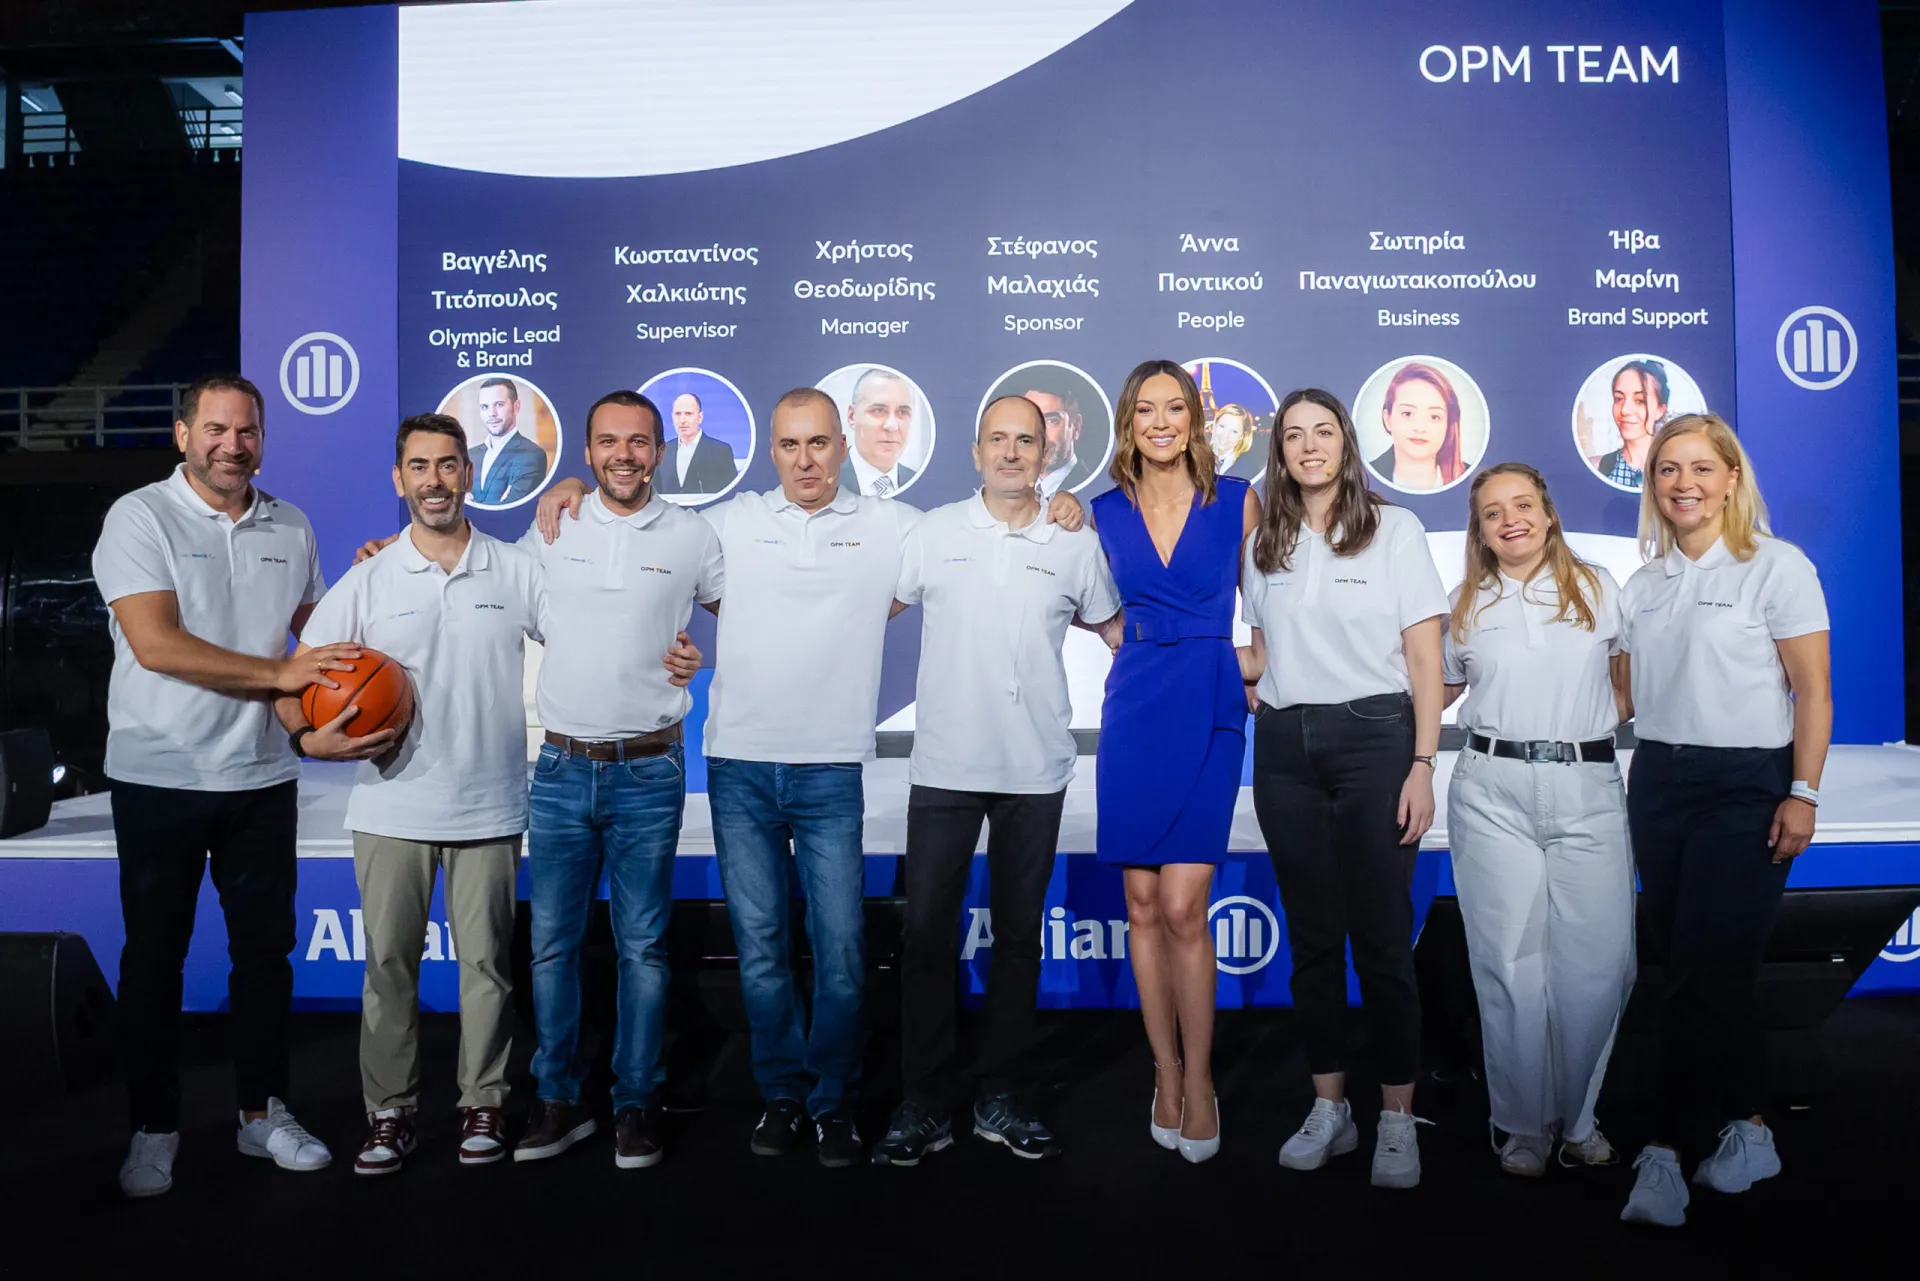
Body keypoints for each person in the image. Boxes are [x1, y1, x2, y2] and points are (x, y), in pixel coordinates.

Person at [94, 373, 374, 1198]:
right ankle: (153, 1128)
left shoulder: (290, 523)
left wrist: (306, 724)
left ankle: (262, 1112)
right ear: (183, 434)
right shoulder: (139, 516)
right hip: (161, 775)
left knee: (264, 957)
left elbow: (315, 653)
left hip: (260, 777)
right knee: (155, 958)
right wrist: (281, 672)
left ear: (262, 438)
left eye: (246, 430)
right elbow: (157, 644)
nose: (232, 445)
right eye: (215, 429)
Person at [285, 413, 545, 1176]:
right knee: (388, 967)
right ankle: (389, 1113)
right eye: (420, 467)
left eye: (448, 464)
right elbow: (295, 674)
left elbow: (586, 642)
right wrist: (307, 738)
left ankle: (484, 1100)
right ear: (400, 479)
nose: (436, 480)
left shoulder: (515, 569)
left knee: (487, 967)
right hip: (390, 807)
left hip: (490, 803)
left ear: (470, 473)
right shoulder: (369, 578)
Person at [871, 395, 1121, 1167]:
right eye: (998, 440)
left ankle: (1003, 1094)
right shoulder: (933, 532)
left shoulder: (1074, 540)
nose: (1012, 452)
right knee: (926, 937)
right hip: (944, 767)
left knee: (1017, 940)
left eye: (1026, 441)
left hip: (1035, 770)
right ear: (976, 451)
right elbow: (859, 612)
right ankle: (924, 1101)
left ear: (1047, 455)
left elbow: (1119, 631)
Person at [1616, 413, 1832, 1228]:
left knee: (1702, 971)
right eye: (1668, 469)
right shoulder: (1644, 582)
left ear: (1732, 477)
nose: (1685, 484)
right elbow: (1620, 697)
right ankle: (1750, 1125)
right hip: (1658, 781)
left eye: (1702, 468)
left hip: (1747, 785)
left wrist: (1802, 792)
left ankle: (1666, 1149)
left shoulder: (1777, 566)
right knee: (1701, 967)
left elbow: (1813, 689)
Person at [1240, 387, 1447, 1189]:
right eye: (1294, 435)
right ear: (1280, 453)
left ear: (1347, 443)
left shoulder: (1396, 530)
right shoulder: (1264, 542)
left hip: (1376, 743)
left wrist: (1423, 763)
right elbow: (1261, 656)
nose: (1309, 445)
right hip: (1285, 749)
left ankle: (1396, 1116)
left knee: (1383, 940)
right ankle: (1331, 1107)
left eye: (1323, 431)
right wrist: (1170, 655)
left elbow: (1425, 660)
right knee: (1314, 938)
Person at [510, 390, 715, 1168]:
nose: (623, 454)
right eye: (607, 441)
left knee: (644, 948)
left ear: (658, 451)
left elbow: (751, 612)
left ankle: (636, 1102)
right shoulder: (552, 525)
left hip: (650, 769)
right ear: (588, 451)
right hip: (562, 767)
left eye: (637, 441)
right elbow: (490, 588)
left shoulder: (693, 535)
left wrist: (702, 655)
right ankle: (558, 1099)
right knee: (552, 946)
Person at [1441, 463, 1635, 1178]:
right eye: (1493, 512)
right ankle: (1522, 1124)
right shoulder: (1463, 602)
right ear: (1481, 530)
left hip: (1587, 785)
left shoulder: (1599, 589)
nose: (1510, 520)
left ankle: (1579, 1119)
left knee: (1599, 966)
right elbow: (1437, 690)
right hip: (1492, 788)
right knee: (1509, 966)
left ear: (1548, 513)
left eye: (1522, 505)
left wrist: (1574, 733)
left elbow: (1626, 685)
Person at [1091, 359, 1259, 1165]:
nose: (1161, 423)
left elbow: (1276, 605)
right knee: (1141, 901)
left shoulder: (1237, 500)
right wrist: (1126, 636)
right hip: (1135, 707)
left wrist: (1246, 665)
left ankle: (1202, 1078)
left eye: (1175, 409)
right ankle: (1164, 1069)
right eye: (1146, 410)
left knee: (1186, 903)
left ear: (1195, 418)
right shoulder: (1099, 512)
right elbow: (1089, 605)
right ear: (1129, 421)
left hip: (1211, 704)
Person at [1369, 362, 1465, 492]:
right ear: (1387, 419)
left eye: (1434, 417)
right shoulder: (1364, 475)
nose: (1420, 428)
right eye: (1408, 414)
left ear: (1448, 425)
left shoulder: (1470, 477)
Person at [837, 367, 920, 497]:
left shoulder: (918, 481)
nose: (892, 426)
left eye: (902, 412)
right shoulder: (824, 479)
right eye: (878, 410)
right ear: (852, 417)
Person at [1589, 359, 1670, 490]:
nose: (1625, 410)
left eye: (1640, 400)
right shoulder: (1597, 467)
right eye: (1618, 398)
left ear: (1660, 410)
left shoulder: (1675, 471)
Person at [470, 376, 550, 505]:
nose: (492, 413)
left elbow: (512, 505)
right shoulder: (469, 456)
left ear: (516, 407)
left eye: (499, 405)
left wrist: (468, 502)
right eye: (485, 407)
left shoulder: (531, 454)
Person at [1023, 372, 1098, 498]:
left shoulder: (1094, 491)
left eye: (1051, 421)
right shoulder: (1012, 488)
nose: (1039, 434)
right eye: (1030, 420)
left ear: (1076, 427)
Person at [655, 391, 740, 497]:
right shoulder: (662, 451)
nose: (682, 420)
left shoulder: (721, 451)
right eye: (678, 414)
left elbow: (731, 493)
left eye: (688, 414)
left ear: (700, 417)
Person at [1207, 403, 1261, 481]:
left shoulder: (1250, 469)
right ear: (1215, 425)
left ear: (1242, 436)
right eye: (1222, 426)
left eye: (1234, 431)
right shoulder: (1195, 456)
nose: (1225, 435)